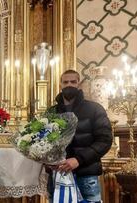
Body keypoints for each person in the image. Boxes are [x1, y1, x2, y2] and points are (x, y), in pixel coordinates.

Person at [47, 70, 112, 203]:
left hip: (86, 174)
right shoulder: (51, 112)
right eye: (65, 82)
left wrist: (78, 160)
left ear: (79, 84)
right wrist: (48, 161)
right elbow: (44, 141)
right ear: (60, 85)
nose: (69, 85)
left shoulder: (95, 109)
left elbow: (104, 140)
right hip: (58, 174)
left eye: (73, 82)